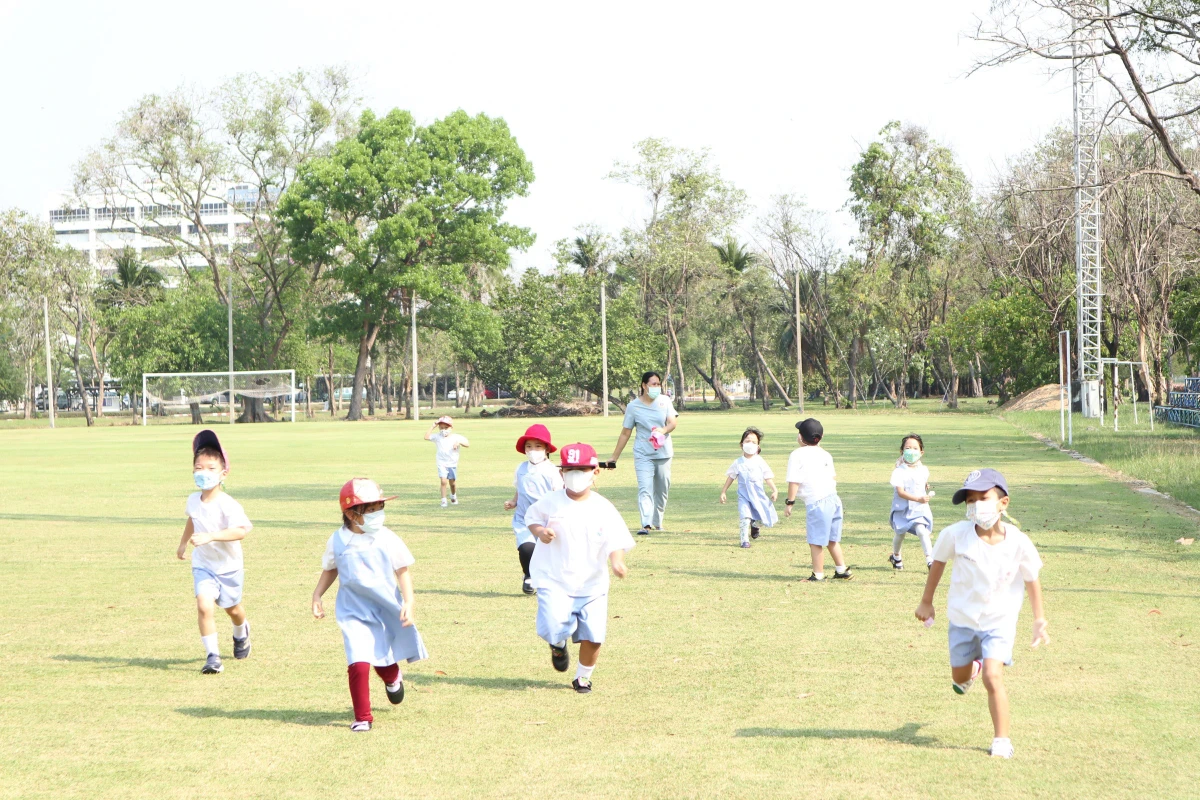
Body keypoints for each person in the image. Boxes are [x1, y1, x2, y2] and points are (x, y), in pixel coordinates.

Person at [914, 469, 1048, 759]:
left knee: (992, 676)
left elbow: (1031, 579)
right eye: (970, 501)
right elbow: (937, 564)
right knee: (959, 681)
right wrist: (927, 601)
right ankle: (969, 669)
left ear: (1004, 502)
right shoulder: (955, 535)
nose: (976, 506)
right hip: (962, 620)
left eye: (984, 498)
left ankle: (1001, 739)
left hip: (999, 622)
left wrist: (1038, 620)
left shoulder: (1019, 542)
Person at [312, 478, 429, 732]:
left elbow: (402, 571)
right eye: (371, 510)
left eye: (380, 508)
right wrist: (317, 595)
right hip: (352, 611)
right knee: (358, 661)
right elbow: (331, 569)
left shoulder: (387, 538)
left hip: (385, 608)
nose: (378, 515)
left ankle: (392, 676)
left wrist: (409, 601)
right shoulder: (337, 541)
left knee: (382, 658)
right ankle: (362, 717)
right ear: (351, 514)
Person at [524, 442, 634, 694]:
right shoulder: (550, 502)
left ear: (595, 471)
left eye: (582, 469)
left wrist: (617, 561)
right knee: (553, 626)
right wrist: (540, 532)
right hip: (554, 579)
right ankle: (558, 643)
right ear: (561, 473)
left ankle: (583, 677)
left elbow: (616, 539)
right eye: (570, 469)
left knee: (594, 636)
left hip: (592, 584)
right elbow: (531, 518)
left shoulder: (603, 507)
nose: (576, 475)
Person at [176, 429, 253, 675]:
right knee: (203, 605)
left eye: (211, 468)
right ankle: (213, 656)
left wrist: (211, 536)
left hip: (229, 567)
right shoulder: (192, 500)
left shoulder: (227, 504)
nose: (204, 473)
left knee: (233, 609)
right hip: (203, 565)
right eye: (199, 468)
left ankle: (241, 631)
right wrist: (182, 542)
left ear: (223, 473)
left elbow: (241, 530)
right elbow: (192, 519)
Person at [610, 371, 678, 534]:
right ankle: (645, 524)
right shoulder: (634, 406)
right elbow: (625, 433)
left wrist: (663, 430)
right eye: (653, 384)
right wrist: (614, 457)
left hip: (663, 453)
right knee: (645, 488)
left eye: (658, 384)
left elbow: (673, 423)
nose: (656, 387)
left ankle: (657, 521)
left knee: (662, 489)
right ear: (644, 385)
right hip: (643, 454)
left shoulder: (665, 401)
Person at [784, 418, 852, 582]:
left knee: (815, 541)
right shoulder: (825, 454)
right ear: (820, 437)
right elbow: (833, 476)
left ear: (801, 437)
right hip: (833, 499)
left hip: (817, 503)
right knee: (831, 539)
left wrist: (790, 502)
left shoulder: (797, 454)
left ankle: (818, 574)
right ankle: (841, 569)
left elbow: (794, 480)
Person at [503, 423, 563, 595]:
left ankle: (548, 579)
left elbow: (558, 494)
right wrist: (514, 502)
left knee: (546, 552)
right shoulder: (520, 468)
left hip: (546, 520)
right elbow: (520, 488)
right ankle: (528, 575)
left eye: (538, 446)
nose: (533, 450)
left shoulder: (551, 471)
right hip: (523, 518)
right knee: (526, 548)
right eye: (529, 446)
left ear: (546, 449)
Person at [719, 427, 779, 548]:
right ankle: (744, 540)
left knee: (761, 516)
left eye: (754, 442)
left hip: (758, 496)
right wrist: (723, 491)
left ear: (758, 446)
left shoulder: (760, 462)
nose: (750, 444)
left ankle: (755, 525)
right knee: (744, 516)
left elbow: (767, 477)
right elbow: (731, 477)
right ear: (741, 445)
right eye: (747, 441)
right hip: (744, 496)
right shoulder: (738, 462)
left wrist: (774, 490)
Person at [888, 433, 934, 571]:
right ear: (902, 451)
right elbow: (901, 492)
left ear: (921, 452)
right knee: (900, 534)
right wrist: (918, 498)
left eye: (915, 448)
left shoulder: (923, 469)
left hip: (919, 509)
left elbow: (921, 481)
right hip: (902, 509)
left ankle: (930, 560)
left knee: (922, 530)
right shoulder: (899, 471)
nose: (911, 451)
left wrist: (925, 486)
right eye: (908, 448)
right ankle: (896, 556)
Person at [424, 416, 469, 508]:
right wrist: (433, 426)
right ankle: (443, 500)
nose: (443, 430)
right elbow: (426, 437)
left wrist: (459, 443)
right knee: (443, 481)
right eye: (441, 428)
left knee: (452, 483)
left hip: (452, 463)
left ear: (451, 428)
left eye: (446, 428)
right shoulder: (437, 437)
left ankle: (453, 495)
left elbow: (467, 444)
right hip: (441, 462)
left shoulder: (456, 437)